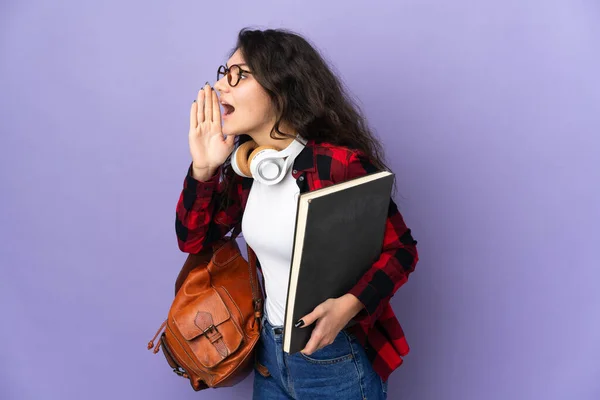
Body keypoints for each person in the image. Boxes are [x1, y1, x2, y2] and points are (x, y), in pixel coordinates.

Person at [175, 27, 418, 400]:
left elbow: (401, 250)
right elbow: (193, 240)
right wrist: (203, 171)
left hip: (332, 358)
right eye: (224, 72)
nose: (221, 86)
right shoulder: (249, 170)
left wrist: (348, 306)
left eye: (239, 75)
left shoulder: (336, 165)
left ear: (280, 87)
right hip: (268, 356)